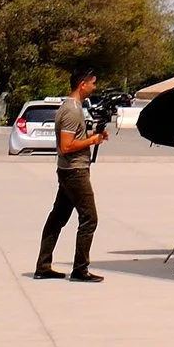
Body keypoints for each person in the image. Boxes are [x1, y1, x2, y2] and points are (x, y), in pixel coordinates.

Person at [34, 70, 109, 282]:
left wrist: (94, 135)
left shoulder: (76, 108)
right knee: (89, 218)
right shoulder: (71, 110)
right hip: (74, 171)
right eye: (93, 83)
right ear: (82, 84)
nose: (95, 87)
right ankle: (80, 269)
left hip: (71, 170)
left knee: (58, 217)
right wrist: (90, 141)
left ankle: (43, 265)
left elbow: (74, 137)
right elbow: (66, 146)